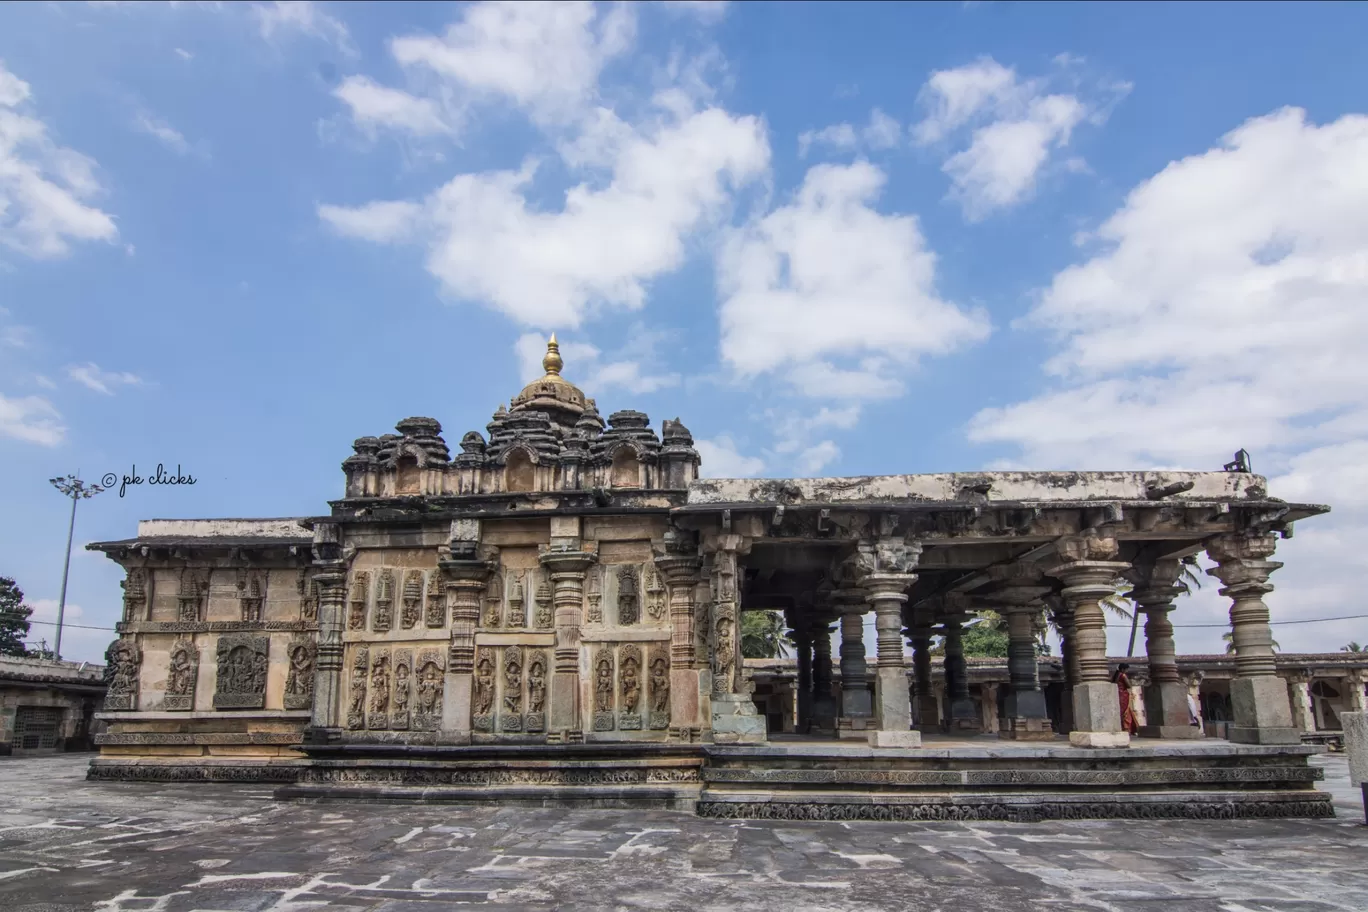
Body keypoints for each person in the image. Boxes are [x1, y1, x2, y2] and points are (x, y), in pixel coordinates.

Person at [1113, 663, 1139, 736]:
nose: (1127, 671)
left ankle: (1122, 727)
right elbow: (1128, 685)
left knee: (1121, 711)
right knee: (1125, 712)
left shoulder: (1116, 675)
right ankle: (1126, 728)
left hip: (1117, 694)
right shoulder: (1123, 675)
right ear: (1122, 669)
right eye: (1126, 669)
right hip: (1123, 695)